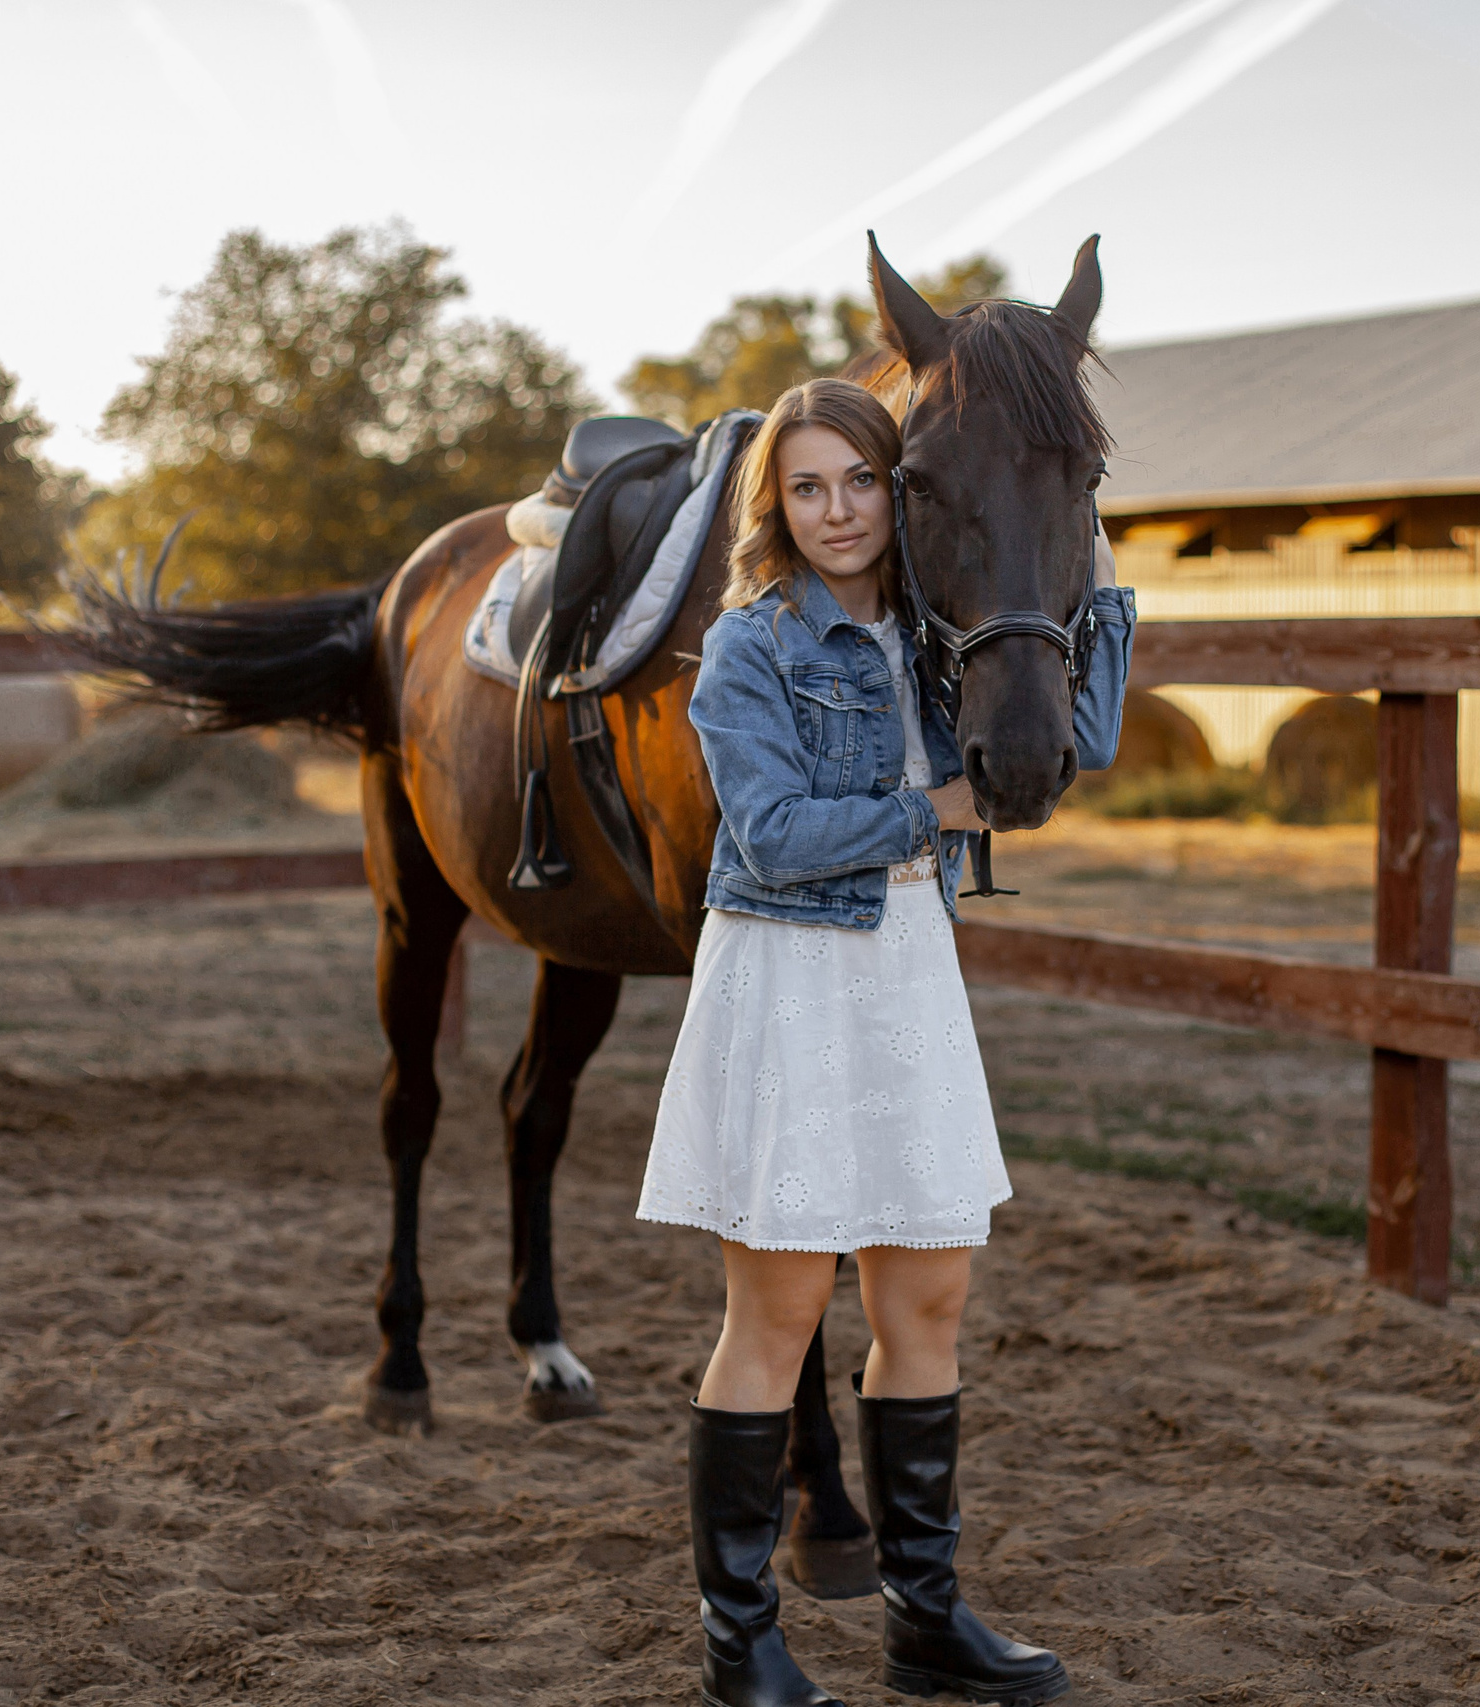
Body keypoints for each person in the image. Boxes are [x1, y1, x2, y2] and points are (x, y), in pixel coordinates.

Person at [637, 375, 1131, 1707]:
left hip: (908, 975)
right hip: (790, 978)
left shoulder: (941, 636)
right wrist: (939, 806)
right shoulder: (750, 644)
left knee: (929, 1302)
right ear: (777, 505)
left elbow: (1082, 737)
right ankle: (740, 1642)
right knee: (781, 1312)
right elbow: (773, 835)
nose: (838, 509)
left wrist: (1091, 544)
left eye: (860, 480)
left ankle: (927, 1614)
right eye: (808, 486)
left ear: (897, 490)